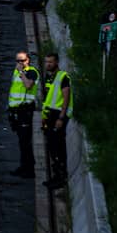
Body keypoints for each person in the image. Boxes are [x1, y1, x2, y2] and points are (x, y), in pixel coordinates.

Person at [41, 53, 73, 189]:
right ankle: (56, 177)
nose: (48, 64)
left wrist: (61, 117)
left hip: (58, 116)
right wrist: (44, 117)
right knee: (52, 147)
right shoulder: (49, 77)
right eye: (47, 62)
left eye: (51, 62)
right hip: (50, 115)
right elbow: (48, 99)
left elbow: (66, 98)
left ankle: (61, 178)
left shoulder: (62, 77)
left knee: (57, 147)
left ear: (57, 62)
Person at [8, 50, 39, 178]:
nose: (20, 63)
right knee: (21, 141)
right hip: (16, 111)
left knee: (26, 141)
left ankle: (30, 169)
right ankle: (23, 166)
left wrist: (21, 72)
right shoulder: (16, 73)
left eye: (22, 60)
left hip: (25, 111)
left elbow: (27, 85)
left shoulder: (31, 72)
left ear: (28, 61)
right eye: (18, 61)